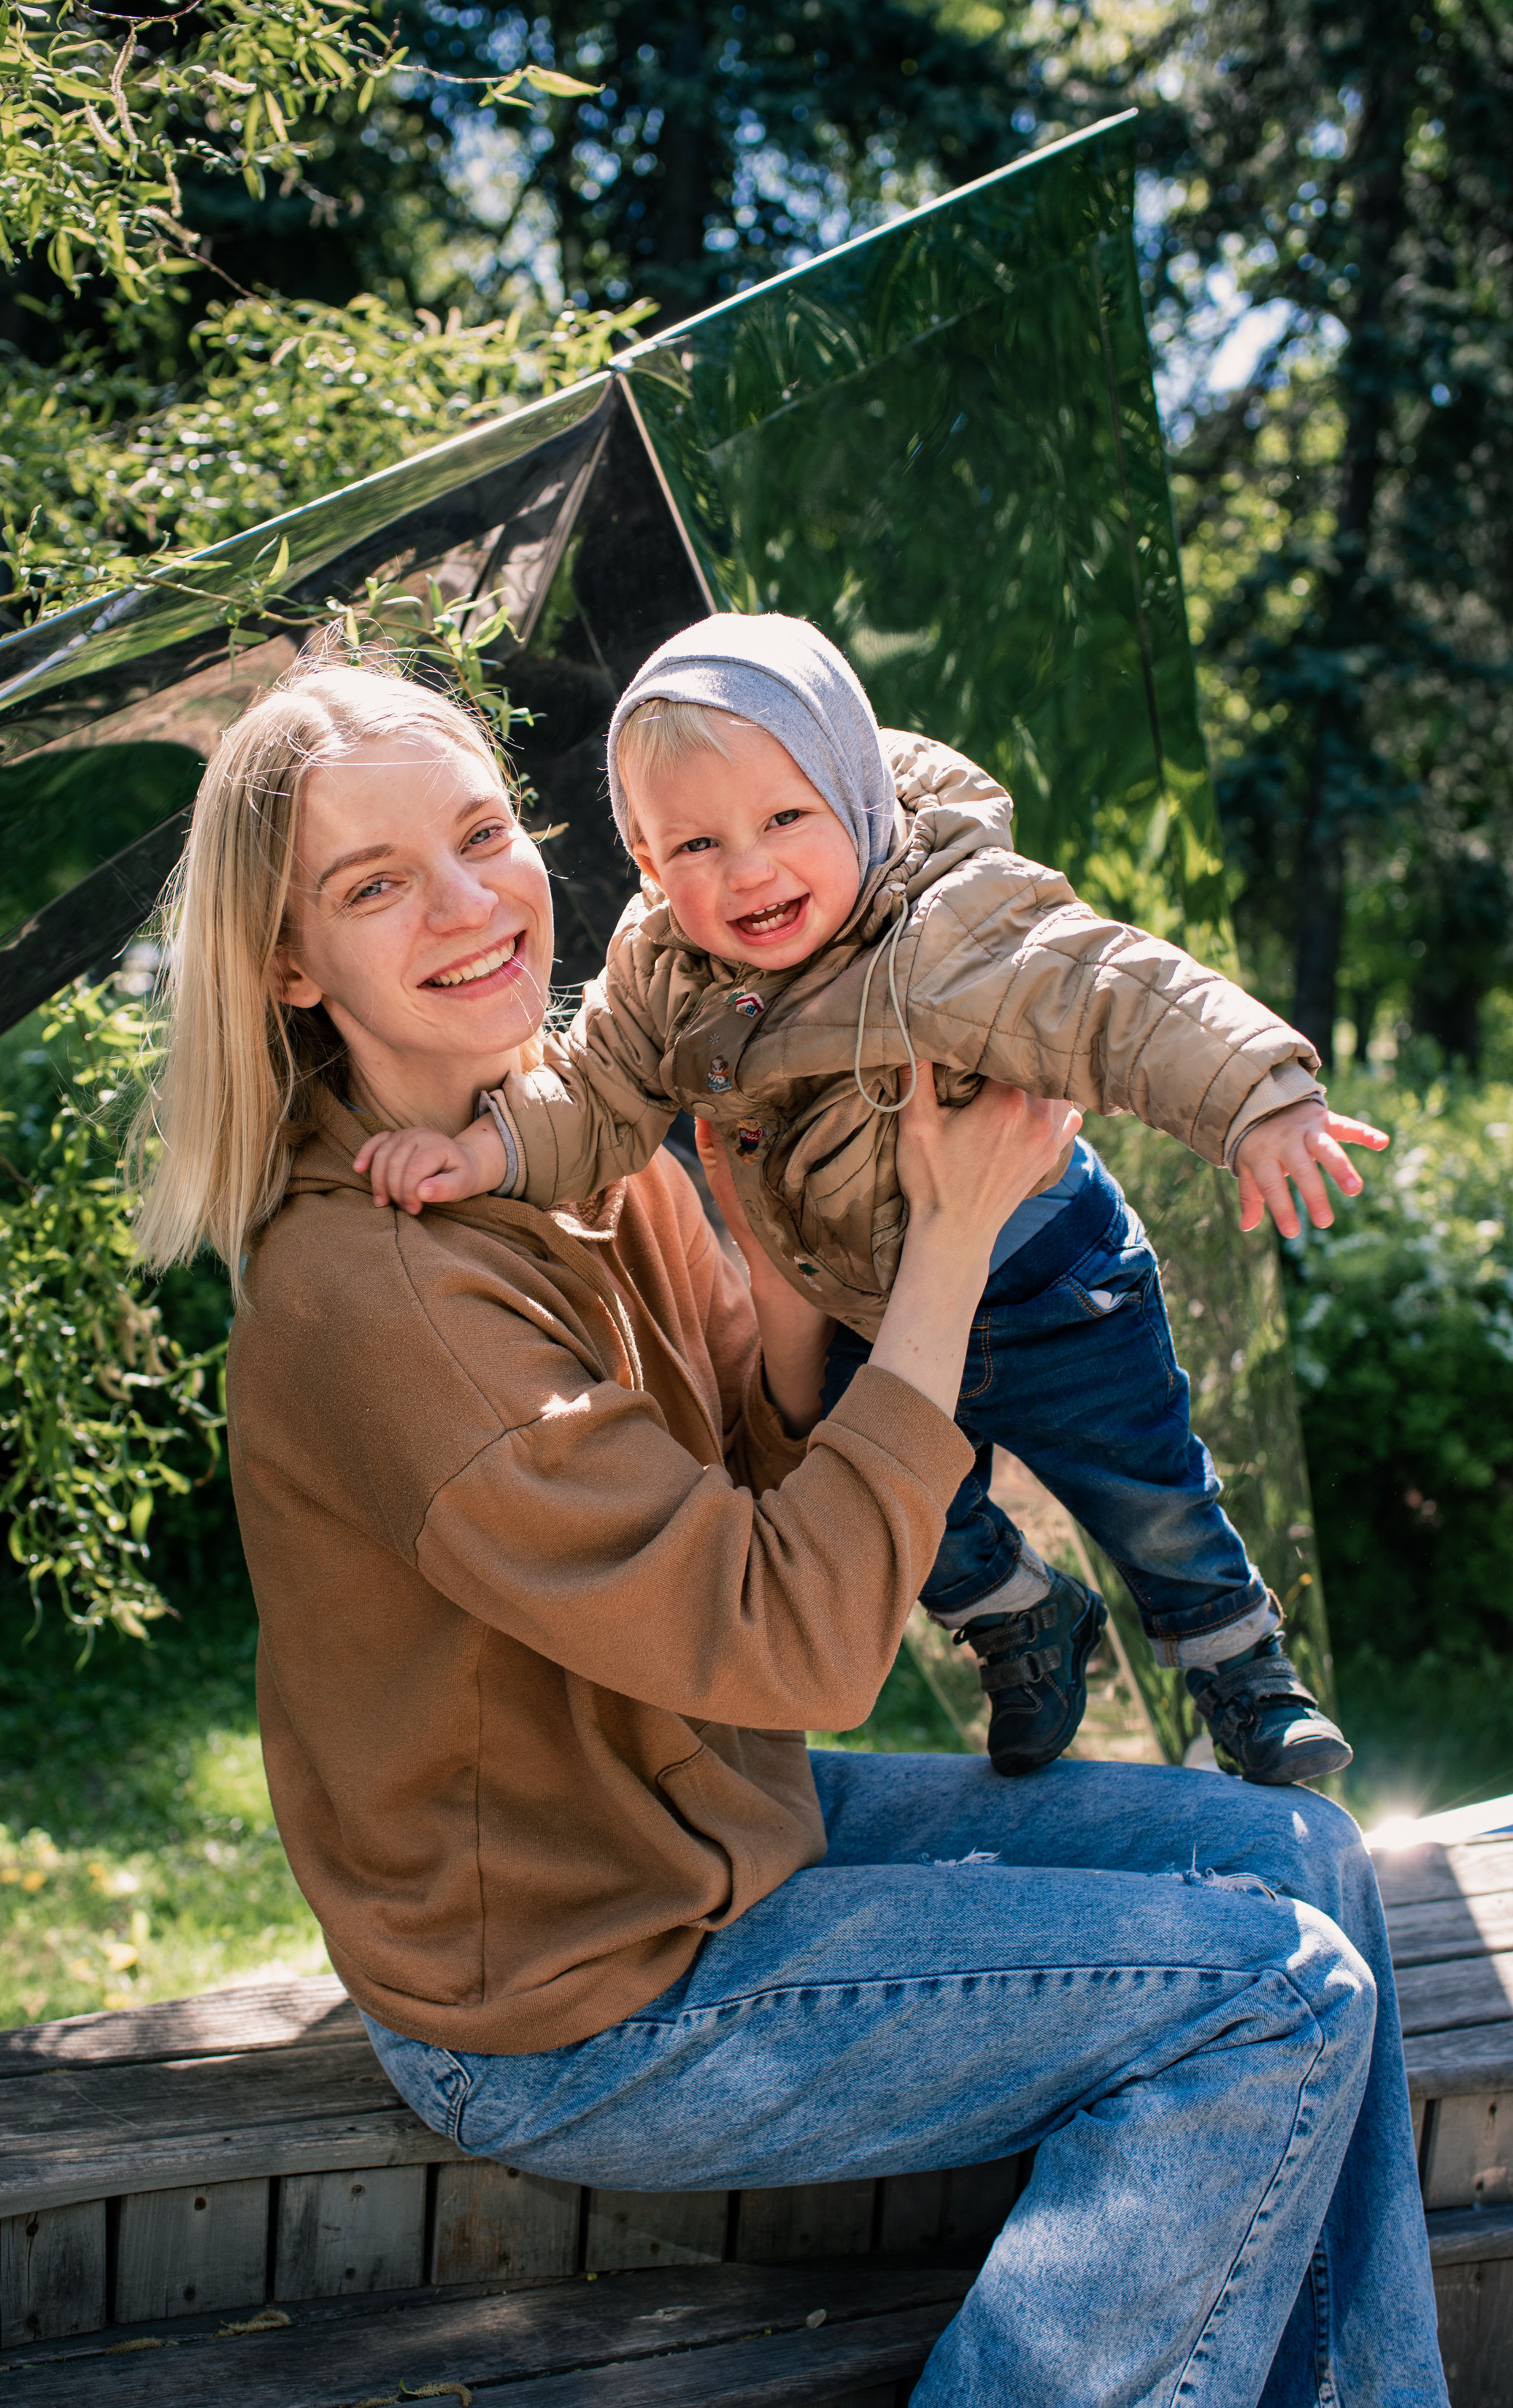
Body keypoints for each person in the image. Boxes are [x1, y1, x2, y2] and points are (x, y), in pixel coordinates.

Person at [131, 657, 1445, 2408]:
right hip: (578, 1989)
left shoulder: (585, 1160)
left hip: (715, 1822)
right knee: (1272, 1995)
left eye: (479, 836)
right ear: (291, 966)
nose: (468, 904)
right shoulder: (381, 1299)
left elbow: (775, 1453)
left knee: (1306, 1868)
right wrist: (957, 1238)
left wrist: (811, 1246)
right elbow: (799, 1636)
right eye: (376, 885)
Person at [354, 614, 1388, 1786]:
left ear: (856, 800)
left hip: (1049, 1278)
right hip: (873, 1314)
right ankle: (1021, 1617)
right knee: (897, 1517)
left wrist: (1259, 1098)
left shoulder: (947, 923)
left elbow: (1113, 995)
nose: (747, 870)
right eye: (696, 844)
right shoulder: (665, 974)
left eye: (785, 819)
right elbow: (593, 1098)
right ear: (645, 861)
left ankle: (1245, 1674)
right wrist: (488, 1154)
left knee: (1148, 1492)